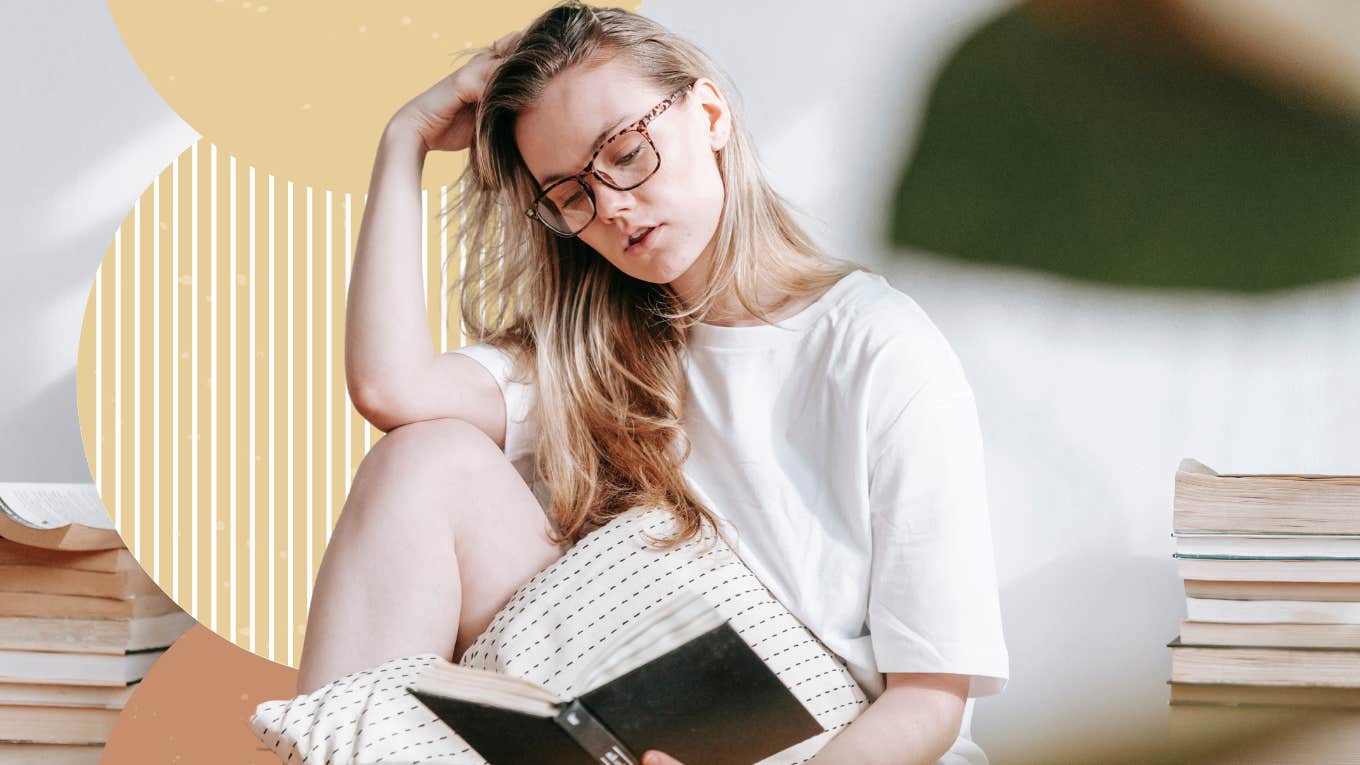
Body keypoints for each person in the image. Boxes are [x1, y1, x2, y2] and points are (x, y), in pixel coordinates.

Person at [298, 3, 1009, 763]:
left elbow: (933, 697)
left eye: (626, 153)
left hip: (830, 741)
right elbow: (391, 388)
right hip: (637, 725)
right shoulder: (595, 350)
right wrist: (402, 142)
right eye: (570, 194)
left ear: (708, 114)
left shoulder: (877, 346)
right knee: (424, 459)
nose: (610, 207)